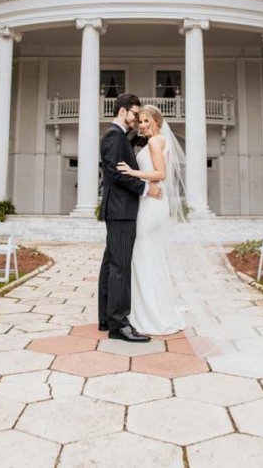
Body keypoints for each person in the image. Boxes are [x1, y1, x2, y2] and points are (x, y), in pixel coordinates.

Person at [117, 105, 185, 335]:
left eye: (147, 121)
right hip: (152, 203)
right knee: (150, 257)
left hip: (153, 205)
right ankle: (152, 310)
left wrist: (132, 172)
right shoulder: (154, 141)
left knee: (143, 256)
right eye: (141, 122)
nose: (143, 126)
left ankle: (150, 315)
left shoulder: (156, 142)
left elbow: (160, 174)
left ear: (157, 121)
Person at [97, 93, 160, 343]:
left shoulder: (121, 137)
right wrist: (146, 189)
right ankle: (119, 325)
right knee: (120, 268)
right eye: (135, 113)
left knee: (111, 265)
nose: (137, 119)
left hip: (118, 210)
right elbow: (114, 173)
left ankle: (106, 318)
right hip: (121, 211)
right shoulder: (114, 136)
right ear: (122, 112)